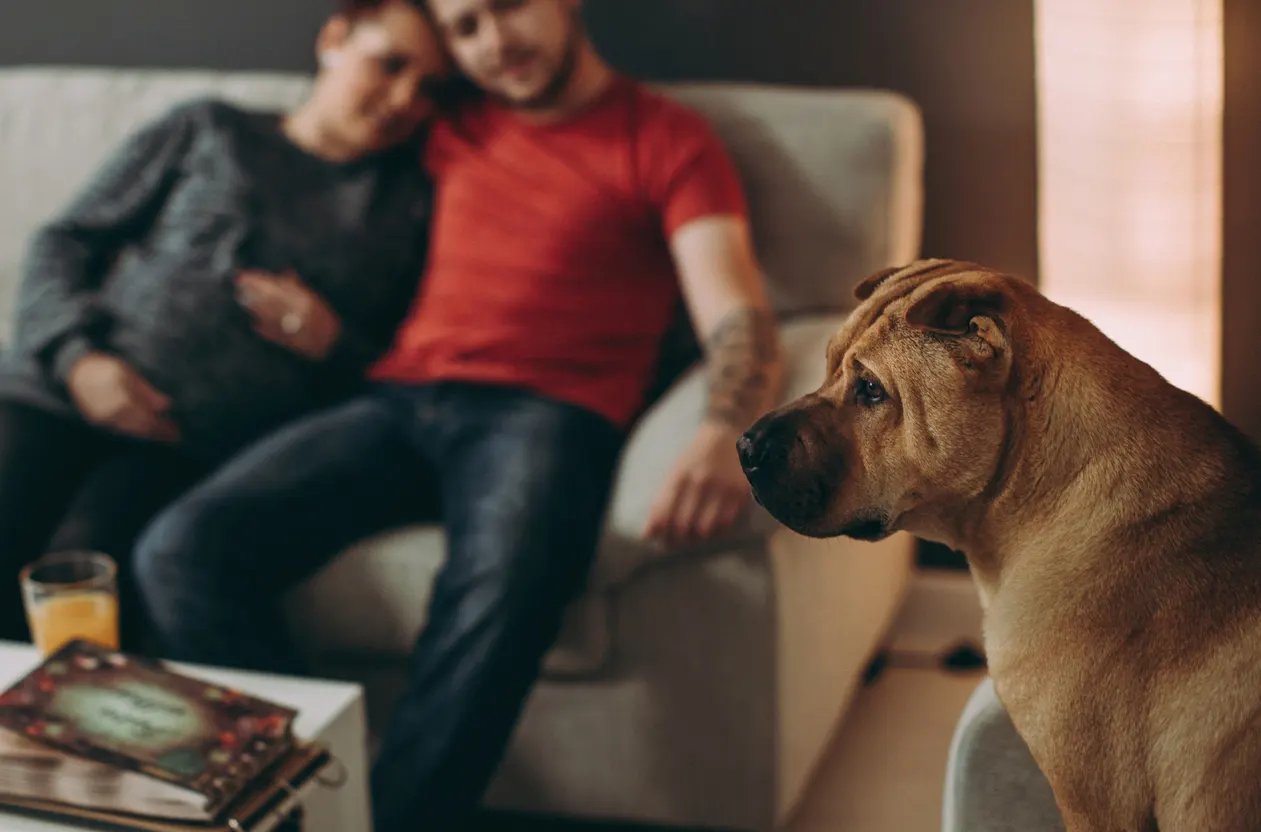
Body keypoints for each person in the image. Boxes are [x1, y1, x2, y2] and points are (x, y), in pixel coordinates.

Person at [132, 0, 786, 829]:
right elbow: (322, 142)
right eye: (464, 27)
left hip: (547, 414)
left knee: (503, 581)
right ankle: (303, 802)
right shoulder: (443, 122)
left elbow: (735, 309)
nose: (493, 43)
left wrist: (726, 428)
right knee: (180, 548)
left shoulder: (665, 137)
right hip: (395, 400)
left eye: (508, 7)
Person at [0, 0, 449, 649]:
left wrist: (334, 344)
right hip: (56, 391)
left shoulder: (407, 209)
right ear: (334, 39)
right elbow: (64, 243)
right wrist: (79, 361)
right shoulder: (208, 129)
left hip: (187, 445)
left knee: (86, 570)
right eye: (389, 65)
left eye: (430, 88)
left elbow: (405, 383)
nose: (403, 98)